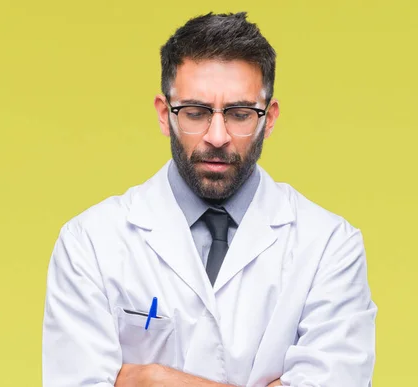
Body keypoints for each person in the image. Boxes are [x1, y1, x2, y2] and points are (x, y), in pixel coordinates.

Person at [42, 12, 376, 387]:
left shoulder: (330, 246)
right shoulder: (90, 242)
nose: (217, 136)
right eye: (196, 113)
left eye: (239, 113)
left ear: (269, 118)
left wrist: (147, 379)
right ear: (163, 114)